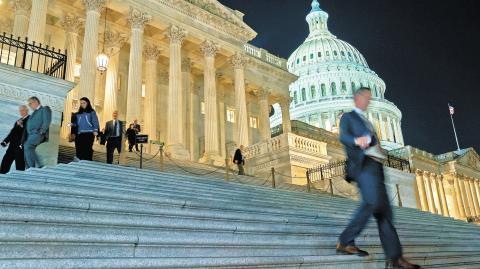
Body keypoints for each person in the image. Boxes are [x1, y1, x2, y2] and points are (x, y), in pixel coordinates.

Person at [336, 87, 420, 269]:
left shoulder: (367, 122)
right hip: (363, 165)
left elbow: (373, 143)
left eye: (369, 98)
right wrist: (357, 141)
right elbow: (344, 137)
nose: (368, 101)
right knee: (371, 203)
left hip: (376, 167)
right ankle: (345, 241)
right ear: (357, 98)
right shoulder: (348, 117)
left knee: (385, 213)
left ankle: (395, 258)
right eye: (365, 97)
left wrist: (379, 149)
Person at [23, 96, 52, 169]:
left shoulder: (44, 109)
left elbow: (47, 121)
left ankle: (31, 167)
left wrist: (42, 131)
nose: (29, 106)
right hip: (31, 135)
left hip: (38, 133)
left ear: (36, 102)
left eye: (30, 103)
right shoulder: (33, 113)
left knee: (28, 146)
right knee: (26, 149)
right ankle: (35, 166)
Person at [0, 105, 30, 173]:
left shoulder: (30, 120)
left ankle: (20, 182)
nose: (21, 112)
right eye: (20, 110)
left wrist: (22, 126)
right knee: (4, 167)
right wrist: (5, 141)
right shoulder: (18, 121)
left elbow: (29, 133)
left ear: (27, 110)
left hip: (20, 148)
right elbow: (12, 133)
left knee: (20, 169)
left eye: (23, 110)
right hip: (11, 147)